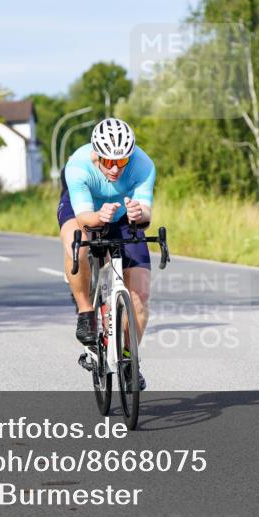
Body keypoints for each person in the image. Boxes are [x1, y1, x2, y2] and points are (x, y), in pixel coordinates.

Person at [59, 118, 155, 389]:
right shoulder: (78, 166)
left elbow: (146, 214)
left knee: (140, 296)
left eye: (121, 161)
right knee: (76, 243)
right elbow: (84, 218)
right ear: (96, 154)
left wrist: (139, 213)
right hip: (85, 211)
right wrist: (99, 217)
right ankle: (85, 311)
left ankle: (128, 359)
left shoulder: (144, 165)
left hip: (123, 217)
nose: (115, 169)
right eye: (108, 161)